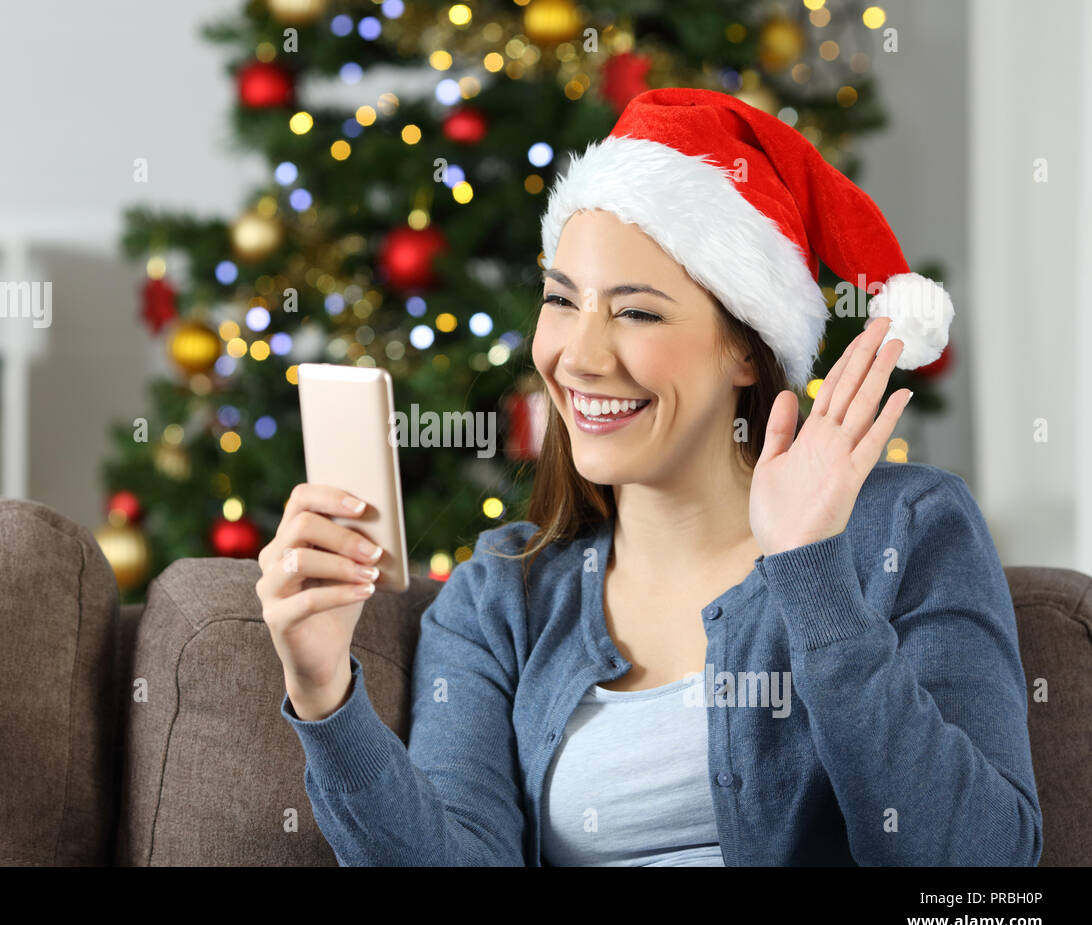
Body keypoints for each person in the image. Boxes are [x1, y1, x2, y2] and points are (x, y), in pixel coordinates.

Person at [255, 88, 1042, 866]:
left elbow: (980, 877)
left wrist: (812, 576)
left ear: (745, 348)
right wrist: (324, 692)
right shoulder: (500, 599)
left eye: (637, 312)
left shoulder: (908, 529)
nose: (580, 356)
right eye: (561, 300)